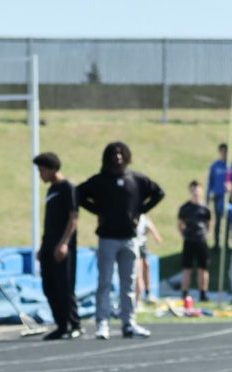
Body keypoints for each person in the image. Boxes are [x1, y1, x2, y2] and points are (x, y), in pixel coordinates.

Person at [77, 141, 164, 340]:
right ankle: (102, 323)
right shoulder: (101, 180)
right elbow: (79, 194)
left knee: (129, 283)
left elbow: (158, 193)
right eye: (113, 154)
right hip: (107, 238)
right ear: (107, 158)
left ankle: (129, 323)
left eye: (120, 153)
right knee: (105, 282)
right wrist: (97, 210)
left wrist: (140, 211)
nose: (117, 157)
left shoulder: (136, 179)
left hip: (129, 238)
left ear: (126, 156)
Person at [33, 151, 82, 341]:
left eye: (42, 170)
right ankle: (61, 325)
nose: (40, 174)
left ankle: (74, 323)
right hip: (48, 246)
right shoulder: (51, 189)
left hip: (62, 247)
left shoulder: (67, 187)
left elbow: (73, 217)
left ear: (53, 169)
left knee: (65, 286)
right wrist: (43, 246)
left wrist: (64, 243)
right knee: (49, 286)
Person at [177, 181, 211, 303]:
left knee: (203, 268)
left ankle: (203, 293)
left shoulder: (205, 208)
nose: (195, 192)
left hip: (201, 240)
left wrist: (206, 235)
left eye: (197, 190)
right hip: (189, 240)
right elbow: (180, 224)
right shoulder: (185, 208)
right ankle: (185, 292)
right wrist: (184, 235)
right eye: (193, 190)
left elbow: (208, 224)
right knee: (187, 268)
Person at [206, 143, 232, 249]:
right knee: (218, 220)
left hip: (229, 197)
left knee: (229, 221)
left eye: (226, 151)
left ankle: (226, 243)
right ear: (219, 152)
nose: (224, 154)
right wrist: (208, 196)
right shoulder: (215, 166)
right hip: (218, 196)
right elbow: (210, 182)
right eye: (222, 151)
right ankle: (216, 243)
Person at [135, 214, 162, 303]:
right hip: (134, 245)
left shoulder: (143, 216)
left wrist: (156, 236)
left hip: (142, 244)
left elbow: (149, 225)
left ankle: (147, 293)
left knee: (146, 266)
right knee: (138, 272)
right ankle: (137, 299)